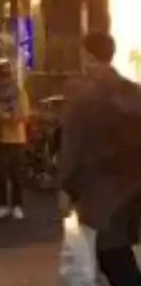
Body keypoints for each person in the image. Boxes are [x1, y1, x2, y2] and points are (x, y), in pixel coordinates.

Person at [59, 32, 141, 286]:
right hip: (134, 184)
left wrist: (65, 188)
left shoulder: (83, 96)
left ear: (86, 55)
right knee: (119, 250)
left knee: (111, 255)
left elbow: (73, 145)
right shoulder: (134, 91)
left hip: (101, 188)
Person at [0, 61, 30, 220]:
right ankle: (3, 204)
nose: (2, 80)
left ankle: (17, 205)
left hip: (15, 138)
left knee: (16, 173)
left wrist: (10, 116)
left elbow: (24, 114)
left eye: (5, 76)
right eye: (0, 77)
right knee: (0, 173)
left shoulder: (19, 92)